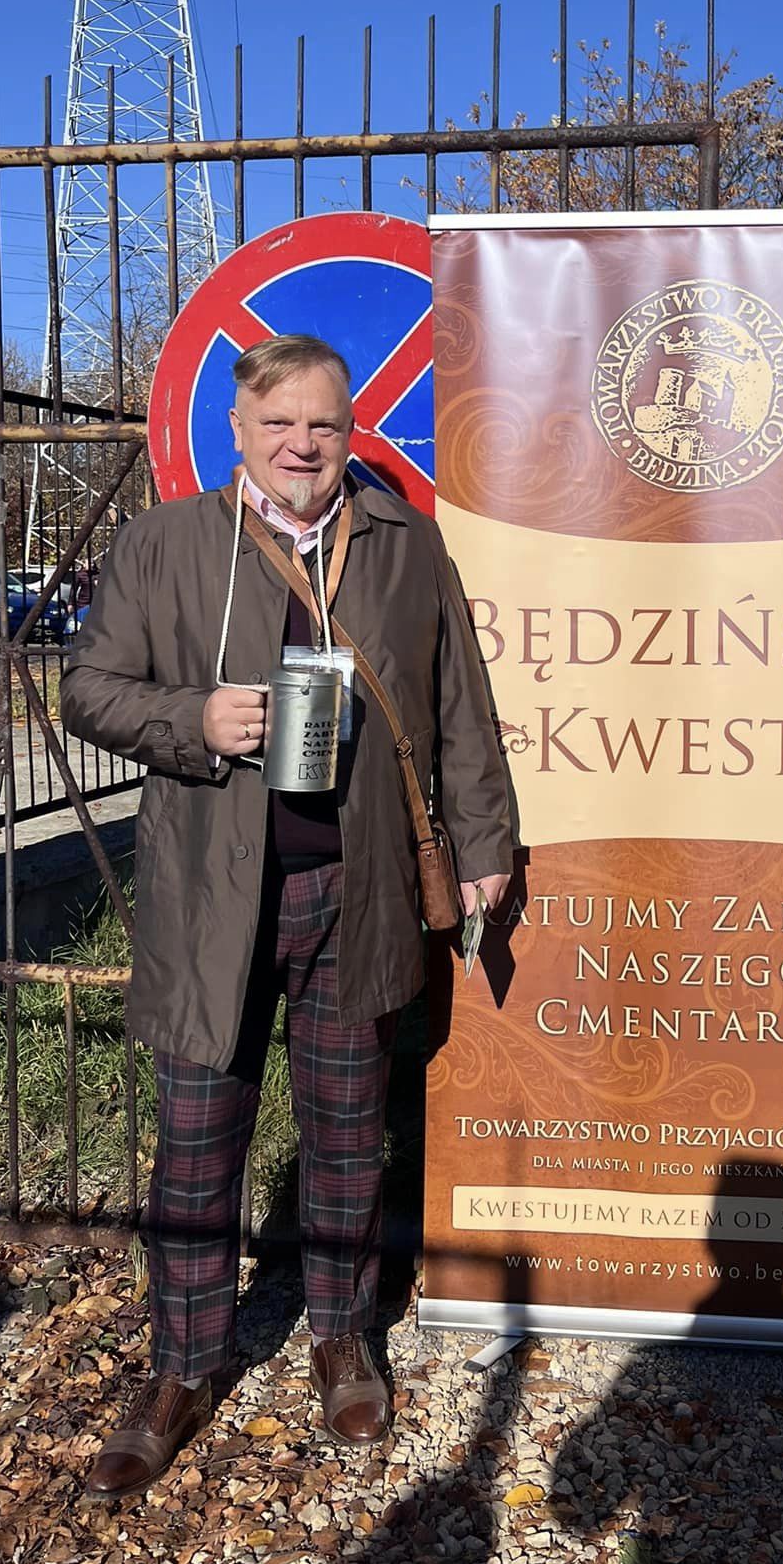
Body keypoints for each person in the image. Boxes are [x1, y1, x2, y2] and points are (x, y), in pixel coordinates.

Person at [62, 334, 514, 1499]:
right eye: (279, 424)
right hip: (211, 894)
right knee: (196, 1142)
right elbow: (88, 688)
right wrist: (192, 719)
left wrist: (483, 846)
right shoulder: (166, 542)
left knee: (348, 1129)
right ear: (239, 430)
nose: (303, 445)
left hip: (356, 886)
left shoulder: (404, 542)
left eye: (324, 424)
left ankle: (342, 1336)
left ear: (351, 430)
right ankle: (183, 1364)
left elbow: (460, 702)